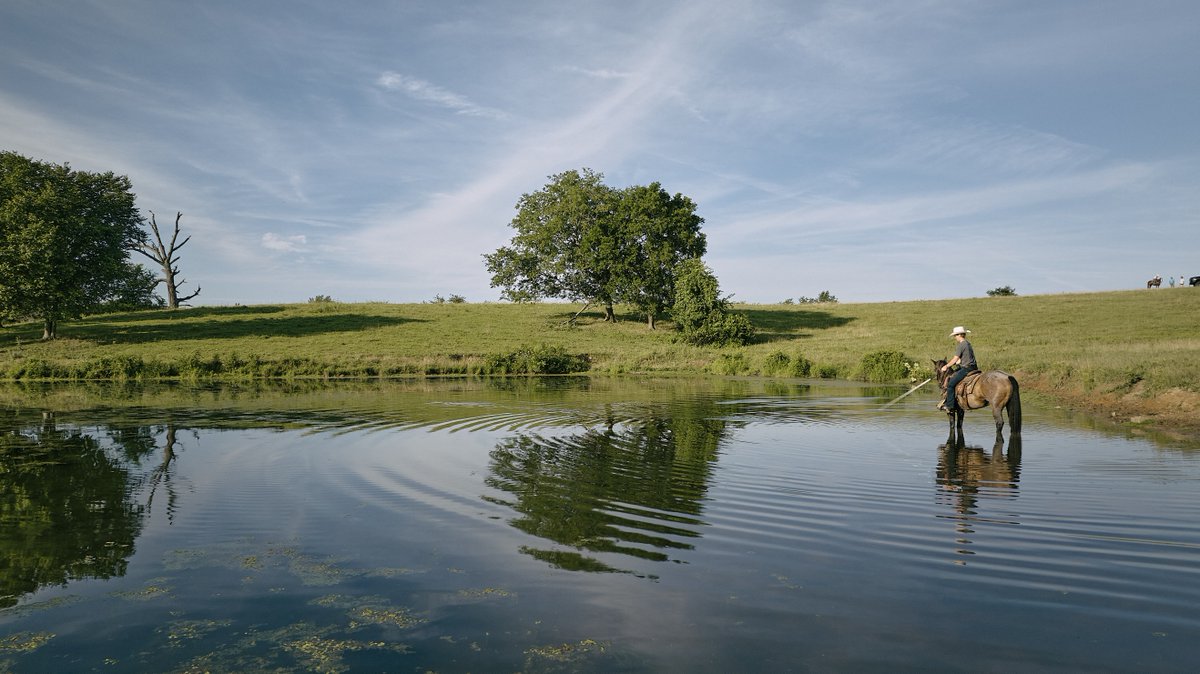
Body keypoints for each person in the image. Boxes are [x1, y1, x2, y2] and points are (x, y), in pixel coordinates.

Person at [938, 326, 979, 412]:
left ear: (959, 335)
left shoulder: (961, 345)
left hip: (967, 368)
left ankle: (950, 405)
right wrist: (960, 362)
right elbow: (967, 357)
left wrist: (946, 366)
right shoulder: (968, 344)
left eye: (955, 335)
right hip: (973, 367)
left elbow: (955, 359)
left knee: (950, 385)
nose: (955, 337)